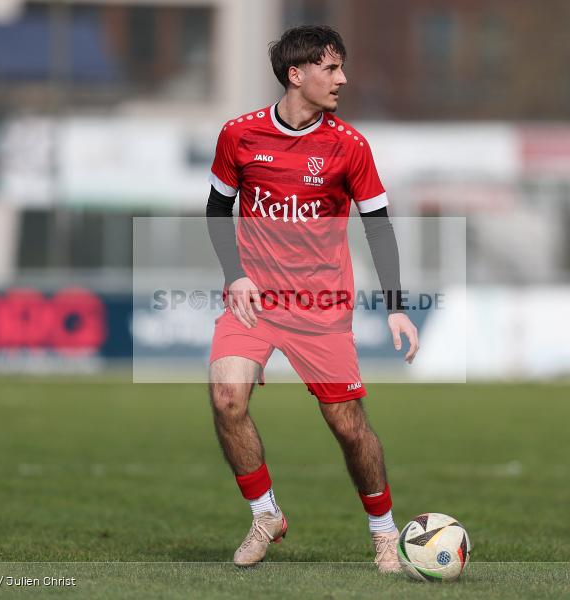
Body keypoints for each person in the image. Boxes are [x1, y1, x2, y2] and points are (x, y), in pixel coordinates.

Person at [205, 25, 418, 572]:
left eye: (341, 67)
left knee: (347, 425)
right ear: (296, 74)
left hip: (321, 308)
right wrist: (235, 274)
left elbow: (378, 227)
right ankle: (265, 515)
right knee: (227, 398)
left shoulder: (350, 146)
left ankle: (384, 532)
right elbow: (217, 209)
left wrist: (397, 306)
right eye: (331, 68)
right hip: (254, 302)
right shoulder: (239, 135)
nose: (342, 79)